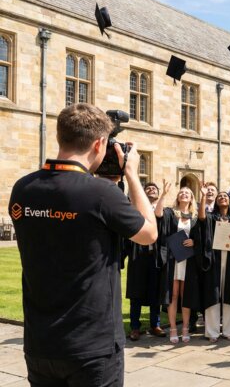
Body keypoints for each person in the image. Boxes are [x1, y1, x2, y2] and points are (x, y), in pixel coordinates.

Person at [9, 103, 157, 386]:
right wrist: (132, 176)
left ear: (59, 136)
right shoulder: (100, 193)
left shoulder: (23, 188)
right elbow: (148, 233)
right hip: (91, 346)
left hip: (40, 343)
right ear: (99, 143)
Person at [155, 185, 201, 344]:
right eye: (181, 192)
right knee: (173, 295)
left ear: (192, 198)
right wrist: (163, 194)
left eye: (187, 192)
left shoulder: (195, 216)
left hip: (189, 260)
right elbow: (157, 214)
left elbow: (202, 236)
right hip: (173, 259)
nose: (184, 194)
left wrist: (194, 241)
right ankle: (174, 328)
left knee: (185, 295)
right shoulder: (170, 213)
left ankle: (186, 328)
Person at [198, 188, 230, 342]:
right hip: (214, 259)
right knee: (213, 294)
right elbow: (201, 218)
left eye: (225, 196)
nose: (222, 198)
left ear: (229, 200)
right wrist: (204, 196)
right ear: (216, 202)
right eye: (220, 196)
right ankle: (212, 332)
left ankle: (229, 331)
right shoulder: (212, 217)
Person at [125, 181, 166, 341]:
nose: (151, 190)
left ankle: (155, 324)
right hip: (138, 257)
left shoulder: (164, 211)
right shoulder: (136, 210)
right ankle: (135, 327)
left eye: (154, 188)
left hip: (155, 257)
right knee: (136, 293)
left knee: (155, 292)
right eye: (147, 188)